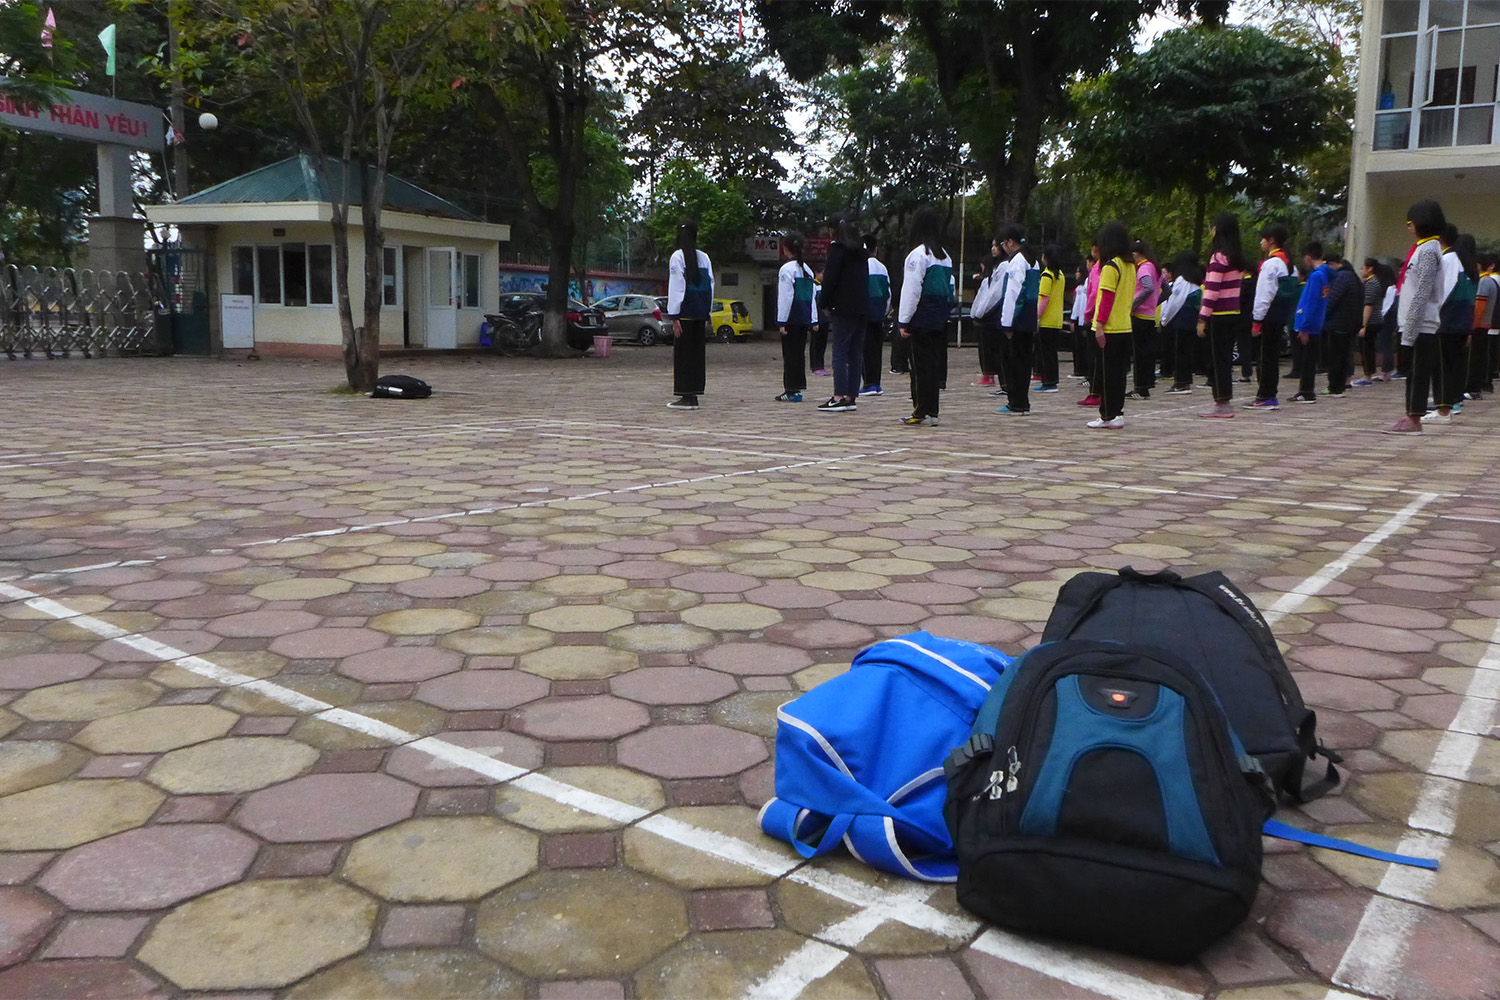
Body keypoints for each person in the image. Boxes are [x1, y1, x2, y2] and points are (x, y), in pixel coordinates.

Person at [1384, 199, 1447, 434]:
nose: (1408, 227)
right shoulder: (1423, 248)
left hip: (1422, 322)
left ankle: (1414, 418)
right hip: (1413, 321)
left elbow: (1423, 290)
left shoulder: (1429, 249)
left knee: (1418, 372)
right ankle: (1411, 414)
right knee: (1413, 371)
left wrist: (1410, 329)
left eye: (1410, 223)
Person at [897, 205, 955, 426]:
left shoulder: (918, 255)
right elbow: (950, 288)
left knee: (920, 366)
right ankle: (932, 411)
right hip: (939, 317)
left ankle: (920, 410)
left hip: (921, 317)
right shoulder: (945, 256)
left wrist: (904, 319)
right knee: (933, 364)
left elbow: (911, 290)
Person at [816, 214, 870, 412]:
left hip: (843, 307)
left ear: (833, 230)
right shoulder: (862, 252)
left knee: (839, 351)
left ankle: (838, 396)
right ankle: (850, 396)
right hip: (863, 306)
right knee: (856, 352)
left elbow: (830, 279)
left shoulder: (837, 249)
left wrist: (823, 302)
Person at [1196, 212, 1247, 417]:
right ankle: (1223, 401)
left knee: (1217, 360)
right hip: (1233, 312)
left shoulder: (1218, 257)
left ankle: (1222, 402)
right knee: (1224, 358)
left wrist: (1203, 318)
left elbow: (1211, 291)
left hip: (1219, 314)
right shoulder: (1235, 258)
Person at [1087, 220, 1136, 429]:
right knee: (1119, 375)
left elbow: (1106, 298)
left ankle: (1107, 415)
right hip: (1125, 326)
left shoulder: (1110, 266)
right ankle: (1117, 412)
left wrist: (1099, 325)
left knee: (1106, 375)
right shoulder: (1130, 265)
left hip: (1109, 328)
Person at [1429, 228, 1478, 422]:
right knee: (1456, 363)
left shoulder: (1449, 260)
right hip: (1463, 321)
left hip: (1447, 320)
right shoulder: (1471, 267)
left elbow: (1444, 290)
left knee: (1442, 364)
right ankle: (1454, 400)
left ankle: (1444, 404)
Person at [1247, 223, 1295, 409]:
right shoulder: (1289, 264)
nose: (1261, 242)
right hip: (1280, 316)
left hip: (1268, 316)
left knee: (1264, 357)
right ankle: (1269, 394)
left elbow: (1263, 295)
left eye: (1263, 238)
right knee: (1272, 357)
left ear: (1272, 241)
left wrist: (1257, 320)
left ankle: (1265, 395)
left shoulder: (1271, 264)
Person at [667, 218, 713, 409]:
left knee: (683, 355)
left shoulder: (677, 257)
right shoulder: (705, 258)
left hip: (684, 312)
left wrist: (674, 315)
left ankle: (686, 395)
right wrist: (707, 312)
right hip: (700, 313)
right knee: (697, 355)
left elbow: (677, 286)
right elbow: (711, 285)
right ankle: (694, 394)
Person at [994, 223, 1040, 415]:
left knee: (1014, 362)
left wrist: (1006, 322)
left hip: (1017, 318)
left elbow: (1012, 294)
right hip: (1029, 316)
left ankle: (1016, 401)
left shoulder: (1017, 262)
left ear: (1010, 242)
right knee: (1025, 361)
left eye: (1003, 244)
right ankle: (1023, 401)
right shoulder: (1033, 261)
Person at [775, 234, 817, 403]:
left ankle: (791, 389)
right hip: (804, 316)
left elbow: (785, 297)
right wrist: (813, 319)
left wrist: (782, 321)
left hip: (792, 317)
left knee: (790, 354)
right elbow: (812, 296)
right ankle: (797, 388)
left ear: (785, 249)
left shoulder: (786, 269)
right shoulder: (807, 269)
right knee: (799, 354)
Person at [1290, 242, 1332, 404]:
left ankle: (1306, 391)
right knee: (1309, 359)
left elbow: (1310, 302)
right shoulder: (1324, 274)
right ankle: (1306, 390)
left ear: (1308, 257)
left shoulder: (1316, 276)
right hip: (1316, 324)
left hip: (1310, 325)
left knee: (1307, 360)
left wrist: (1304, 326)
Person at [1161, 252, 1203, 395]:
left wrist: (1164, 319)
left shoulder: (1182, 281)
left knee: (1180, 351)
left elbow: (1175, 302)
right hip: (1192, 319)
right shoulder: (1196, 281)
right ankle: (1185, 380)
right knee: (1187, 351)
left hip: (1181, 320)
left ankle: (1181, 383)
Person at [1322, 258, 1364, 397]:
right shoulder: (1354, 278)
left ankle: (1334, 387)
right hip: (1350, 324)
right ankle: (1340, 386)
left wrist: (1323, 314)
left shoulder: (1341, 277)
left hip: (1338, 323)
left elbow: (1332, 299)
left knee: (1335, 357)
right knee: (1344, 355)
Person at [1128, 240, 1160, 399]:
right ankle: (1145, 386)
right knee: (1147, 354)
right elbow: (1166, 290)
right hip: (1150, 316)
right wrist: (1154, 303)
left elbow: (1148, 288)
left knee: (1139, 355)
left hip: (1140, 316)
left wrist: (1133, 305)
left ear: (1135, 254)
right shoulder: (1155, 267)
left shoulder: (1144, 268)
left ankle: (1140, 388)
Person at [860, 234, 891, 396]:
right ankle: (876, 383)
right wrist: (884, 312)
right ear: (875, 249)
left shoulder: (860, 266)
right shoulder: (882, 267)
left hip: (864, 313)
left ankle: (868, 383)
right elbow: (888, 293)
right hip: (879, 314)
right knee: (876, 350)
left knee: (864, 349)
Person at [1035, 245, 1066, 394]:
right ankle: (1052, 380)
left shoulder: (1047, 275)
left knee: (1045, 353)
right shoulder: (1060, 275)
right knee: (1051, 352)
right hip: (1057, 319)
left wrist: (1037, 316)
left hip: (1047, 320)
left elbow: (1044, 298)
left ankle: (1048, 381)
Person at [1357, 258, 1391, 386]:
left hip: (1372, 320)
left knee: (1366, 348)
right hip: (1375, 319)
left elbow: (1368, 305)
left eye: (1363, 268)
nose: (1361, 270)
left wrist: (1364, 325)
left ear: (1370, 268)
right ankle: (1368, 373)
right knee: (1368, 347)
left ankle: (1367, 375)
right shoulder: (1374, 282)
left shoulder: (1372, 283)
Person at [1076, 250, 1103, 409]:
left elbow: (1095, 294)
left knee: (1094, 358)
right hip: (1118, 321)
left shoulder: (1099, 269)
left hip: (1097, 319)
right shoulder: (1126, 266)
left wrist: (1088, 314)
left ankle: (1095, 392)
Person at [1474, 252, 1499, 395]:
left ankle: (1479, 384)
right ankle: (1484, 383)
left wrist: (1473, 324)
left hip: (1481, 324)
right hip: (1486, 324)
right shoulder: (1490, 281)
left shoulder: (1484, 281)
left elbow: (1479, 306)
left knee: (1478, 357)